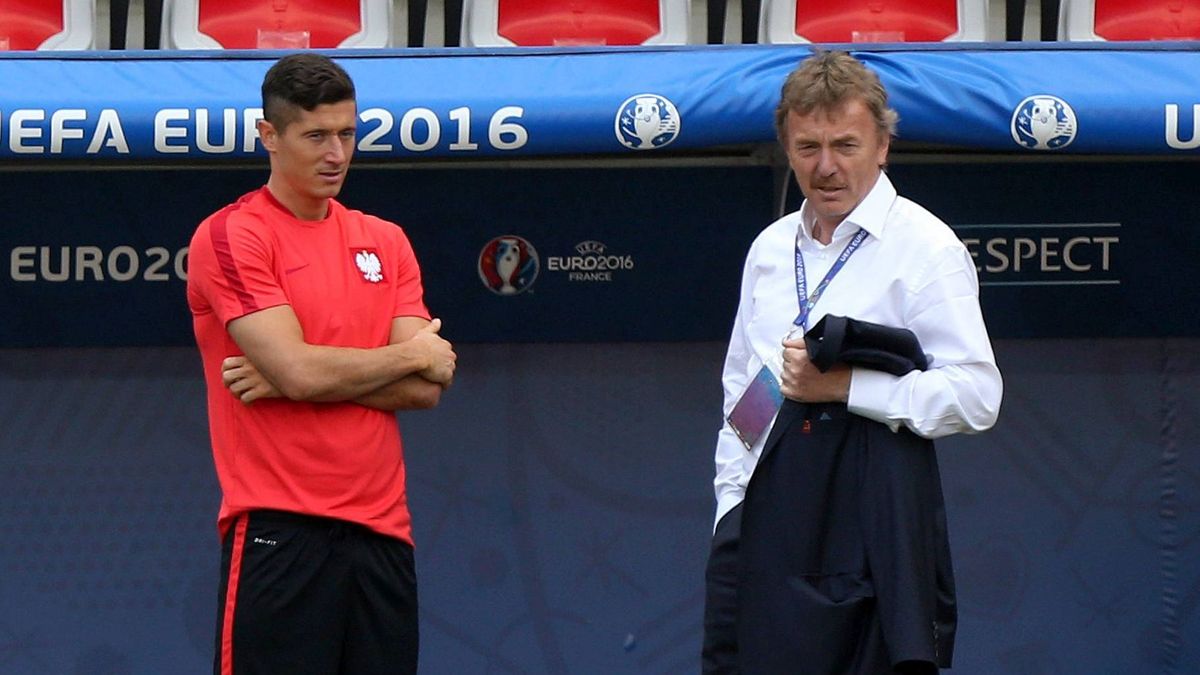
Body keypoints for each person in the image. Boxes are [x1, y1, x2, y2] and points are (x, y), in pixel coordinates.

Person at [702, 51, 1003, 674]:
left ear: (883, 146)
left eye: (846, 144)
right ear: (787, 147)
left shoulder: (925, 247)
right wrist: (731, 503)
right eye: (808, 146)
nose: (827, 166)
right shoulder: (769, 248)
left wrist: (847, 387)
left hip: (867, 529)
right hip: (765, 523)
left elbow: (976, 396)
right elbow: (750, 385)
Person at [186, 53, 456, 675]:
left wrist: (295, 380)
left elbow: (424, 389)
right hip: (279, 529)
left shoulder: (385, 239)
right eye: (316, 136)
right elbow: (308, 371)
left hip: (384, 534)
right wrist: (402, 355)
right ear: (269, 137)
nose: (336, 153)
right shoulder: (233, 235)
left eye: (347, 133)